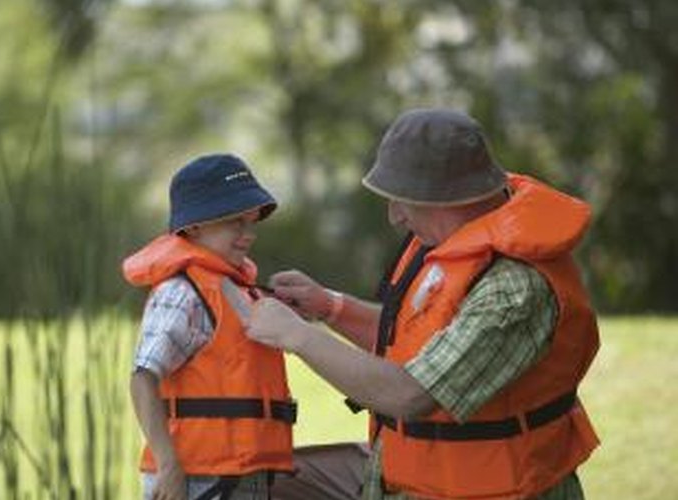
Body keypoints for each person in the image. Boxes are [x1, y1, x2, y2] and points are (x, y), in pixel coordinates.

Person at [251, 108, 600, 499]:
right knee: (257, 480)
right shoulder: (451, 235)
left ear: (450, 199)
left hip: (486, 489)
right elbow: (420, 337)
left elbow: (411, 395)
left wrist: (297, 336)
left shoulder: (513, 289)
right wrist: (329, 306)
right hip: (407, 470)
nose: (394, 217)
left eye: (403, 201)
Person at [123, 153, 296, 500]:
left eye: (252, 222)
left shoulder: (233, 288)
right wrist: (169, 464)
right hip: (195, 480)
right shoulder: (181, 292)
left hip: (239, 475)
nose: (248, 234)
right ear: (194, 226)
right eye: (235, 222)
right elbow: (143, 378)